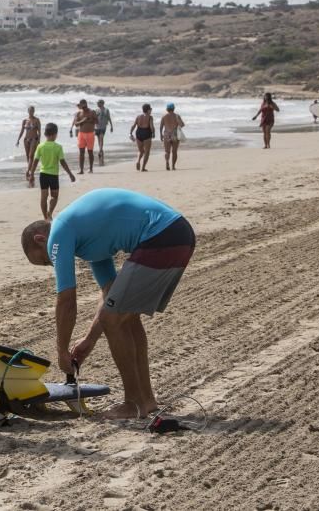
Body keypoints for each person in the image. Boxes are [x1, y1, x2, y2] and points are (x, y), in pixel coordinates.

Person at [19, 188, 196, 419]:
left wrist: (62, 350)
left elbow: (66, 300)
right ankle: (147, 400)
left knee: (114, 318)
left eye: (44, 260)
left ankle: (132, 404)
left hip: (160, 235)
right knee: (126, 318)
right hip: (178, 233)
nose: (52, 264)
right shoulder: (90, 242)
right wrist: (89, 339)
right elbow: (110, 292)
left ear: (40, 239)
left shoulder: (59, 231)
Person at [26, 123, 76, 220]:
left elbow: (35, 161)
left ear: (45, 134)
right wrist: (70, 174)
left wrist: (31, 174)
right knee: (54, 196)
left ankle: (45, 217)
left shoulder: (40, 146)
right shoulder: (58, 147)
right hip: (53, 175)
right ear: (54, 134)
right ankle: (50, 213)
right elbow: (62, 162)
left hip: (43, 174)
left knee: (43, 197)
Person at [71, 99, 99, 174]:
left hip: (90, 134)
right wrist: (83, 120)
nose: (80, 107)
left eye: (81, 105)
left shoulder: (92, 112)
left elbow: (97, 121)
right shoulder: (78, 113)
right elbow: (76, 124)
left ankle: (91, 169)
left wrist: (91, 120)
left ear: (85, 104)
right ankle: (81, 170)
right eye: (80, 105)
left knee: (90, 152)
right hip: (81, 134)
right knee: (81, 152)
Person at [16, 106, 42, 185]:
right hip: (26, 140)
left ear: (34, 111)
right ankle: (31, 173)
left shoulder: (37, 120)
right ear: (28, 111)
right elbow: (22, 131)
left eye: (32, 110)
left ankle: (28, 172)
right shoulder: (25, 120)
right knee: (28, 157)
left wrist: (39, 141)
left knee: (31, 156)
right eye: (30, 110)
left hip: (34, 139)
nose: (31, 112)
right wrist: (18, 140)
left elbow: (39, 131)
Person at [159, 103, 185, 171]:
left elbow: (161, 126)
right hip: (174, 134)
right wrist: (178, 121)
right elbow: (182, 125)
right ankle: (173, 166)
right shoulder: (177, 116)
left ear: (167, 109)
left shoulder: (164, 116)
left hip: (166, 134)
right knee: (174, 151)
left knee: (167, 151)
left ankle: (167, 162)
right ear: (174, 108)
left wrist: (161, 135)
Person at [129, 104, 155, 171]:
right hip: (146, 133)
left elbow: (133, 125)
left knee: (141, 151)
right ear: (148, 110)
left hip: (139, 133)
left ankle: (138, 161)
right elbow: (151, 127)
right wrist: (153, 133)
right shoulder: (150, 117)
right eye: (150, 109)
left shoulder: (138, 116)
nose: (151, 110)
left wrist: (130, 133)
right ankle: (143, 167)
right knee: (147, 152)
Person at [94, 100, 113, 166]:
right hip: (96, 127)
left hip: (103, 127)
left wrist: (111, 126)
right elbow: (94, 118)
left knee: (101, 138)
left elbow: (109, 118)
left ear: (102, 103)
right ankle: (101, 152)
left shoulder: (106, 110)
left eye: (98, 103)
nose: (97, 104)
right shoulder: (96, 110)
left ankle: (100, 150)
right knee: (99, 140)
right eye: (97, 103)